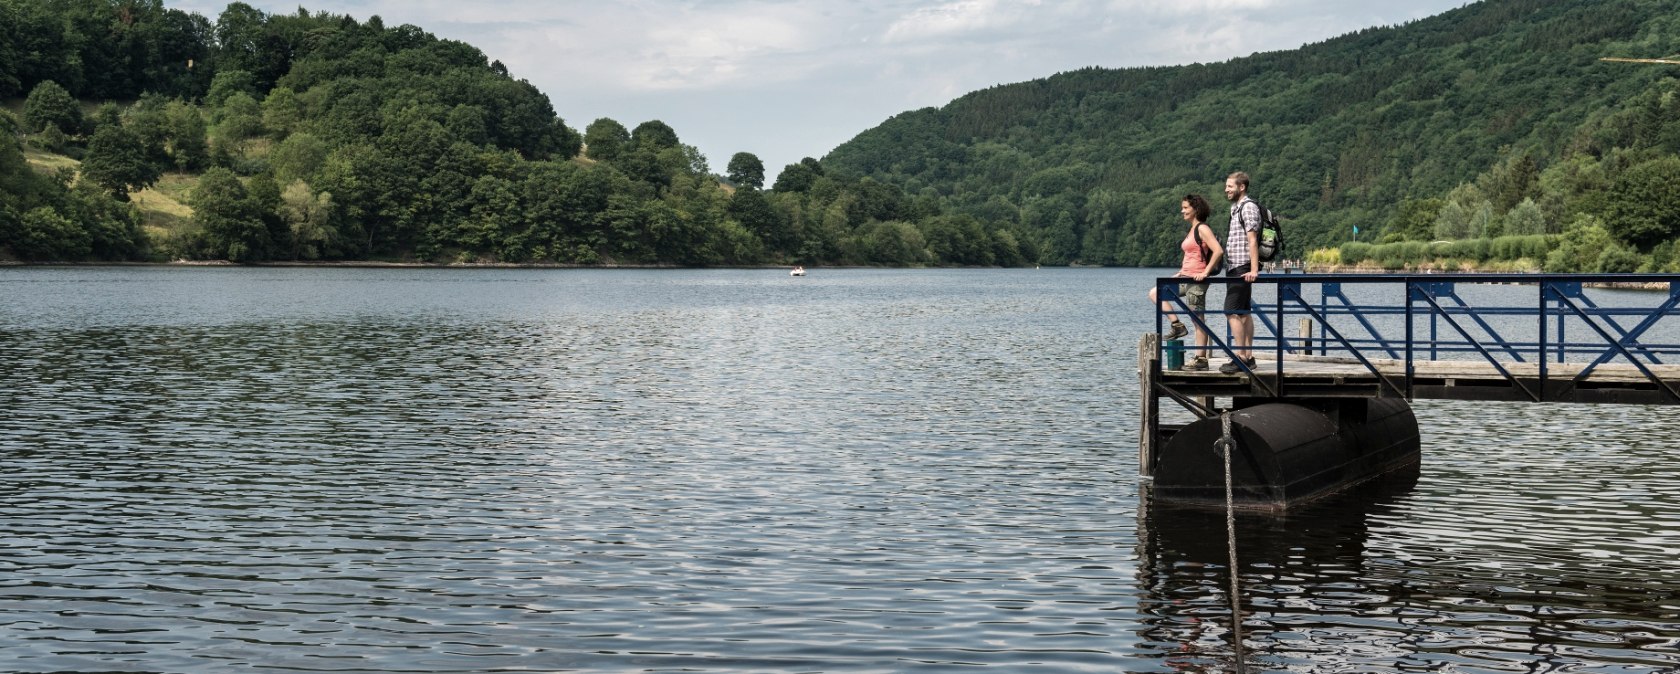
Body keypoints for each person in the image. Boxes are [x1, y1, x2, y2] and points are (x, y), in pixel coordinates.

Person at [1148, 194, 1223, 370]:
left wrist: (1205, 272)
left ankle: (1200, 359)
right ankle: (1177, 325)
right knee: (1155, 293)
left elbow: (1218, 251)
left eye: (1185, 208)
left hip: (1197, 280)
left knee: (1198, 320)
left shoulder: (1203, 228)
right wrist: (1180, 272)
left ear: (1195, 209)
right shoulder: (1192, 229)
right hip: (1185, 277)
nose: (1182, 211)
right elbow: (1191, 254)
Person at [1220, 172, 1262, 374]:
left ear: (1241, 187)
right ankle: (1249, 357)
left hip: (1242, 267)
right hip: (1235, 266)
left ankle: (1241, 357)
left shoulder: (1248, 207)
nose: (1226, 190)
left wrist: (1254, 269)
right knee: (1244, 312)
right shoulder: (1235, 208)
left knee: (1231, 310)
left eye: (1230, 186)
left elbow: (1252, 240)